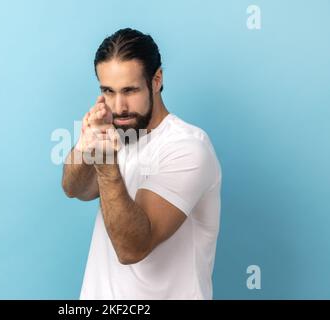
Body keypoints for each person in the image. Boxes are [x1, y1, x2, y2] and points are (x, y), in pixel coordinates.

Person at [62, 28, 222, 299]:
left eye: (130, 90)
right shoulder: (120, 132)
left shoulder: (188, 147)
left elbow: (131, 249)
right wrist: (86, 144)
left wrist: (106, 165)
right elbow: (74, 189)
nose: (119, 106)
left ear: (156, 80)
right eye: (108, 92)